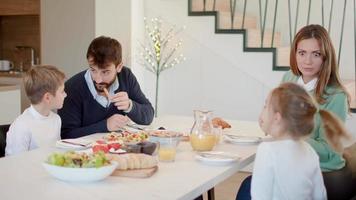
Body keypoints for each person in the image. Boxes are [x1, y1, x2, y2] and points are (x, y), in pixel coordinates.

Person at [281, 24, 356, 199]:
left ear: (325, 58)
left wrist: (290, 135)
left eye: (316, 54)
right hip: (292, 161)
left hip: (323, 168)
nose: (307, 61)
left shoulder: (336, 96)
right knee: (250, 186)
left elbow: (329, 150)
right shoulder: (289, 78)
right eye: (302, 53)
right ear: (295, 54)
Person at [252, 82, 348, 199]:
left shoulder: (267, 151)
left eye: (265, 105)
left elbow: (259, 197)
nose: (263, 109)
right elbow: (320, 195)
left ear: (277, 118)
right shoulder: (309, 151)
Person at [58, 36, 154, 139]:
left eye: (105, 72)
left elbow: (148, 116)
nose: (98, 80)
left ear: (119, 67)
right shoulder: (72, 88)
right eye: (93, 70)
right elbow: (66, 134)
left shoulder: (125, 76)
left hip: (118, 150)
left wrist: (129, 105)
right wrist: (105, 125)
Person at [5, 65, 66, 156]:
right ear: (47, 98)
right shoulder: (22, 126)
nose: (65, 95)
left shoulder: (56, 119)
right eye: (62, 91)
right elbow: (15, 163)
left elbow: (56, 153)